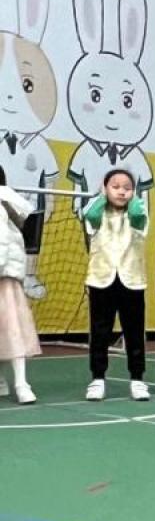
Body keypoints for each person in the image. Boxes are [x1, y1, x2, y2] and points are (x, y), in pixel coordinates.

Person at [82, 166, 149, 402]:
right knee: (100, 332)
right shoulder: (96, 211)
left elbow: (138, 217)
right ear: (105, 188)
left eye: (127, 188)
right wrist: (102, 196)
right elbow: (90, 217)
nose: (122, 192)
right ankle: (98, 378)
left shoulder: (139, 211)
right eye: (116, 187)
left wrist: (134, 198)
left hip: (132, 280)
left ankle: (137, 379)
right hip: (101, 280)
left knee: (134, 332)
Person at [0, 168, 40, 403]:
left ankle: (21, 383)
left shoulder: (5, 201)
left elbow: (3, 240)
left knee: (13, 329)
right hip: (7, 274)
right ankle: (4, 381)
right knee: (7, 329)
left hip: (5, 277)